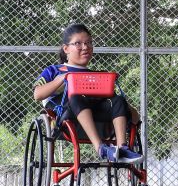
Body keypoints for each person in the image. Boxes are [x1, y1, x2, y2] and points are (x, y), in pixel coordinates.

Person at [33, 23, 143, 164]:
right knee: (77, 96)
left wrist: (126, 107)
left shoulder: (97, 76)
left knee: (118, 99)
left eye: (88, 43)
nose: (85, 47)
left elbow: (130, 115)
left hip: (100, 119)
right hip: (67, 118)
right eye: (78, 43)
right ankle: (100, 148)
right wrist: (63, 78)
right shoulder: (54, 71)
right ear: (66, 48)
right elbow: (37, 95)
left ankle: (122, 148)